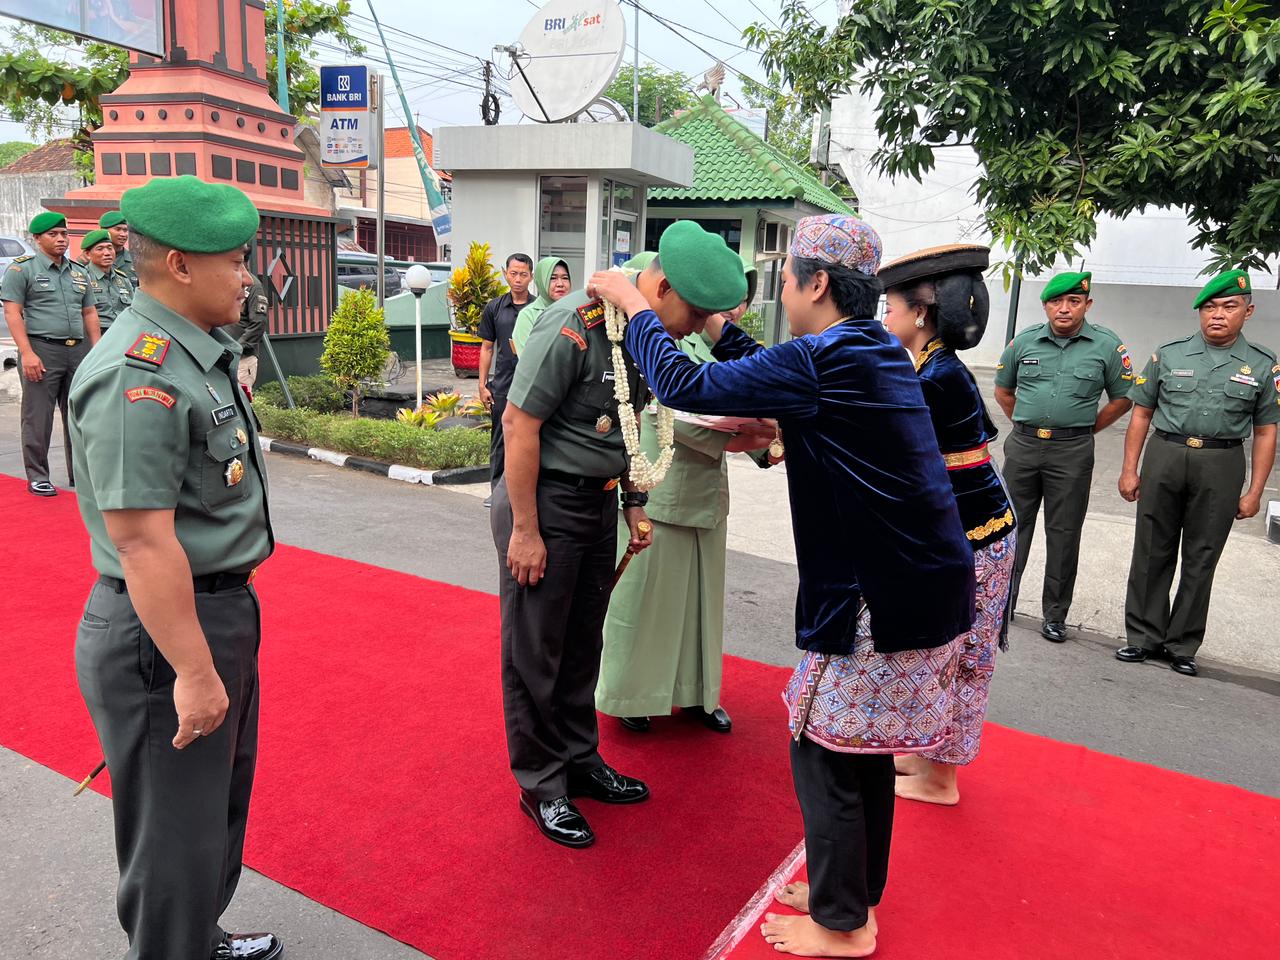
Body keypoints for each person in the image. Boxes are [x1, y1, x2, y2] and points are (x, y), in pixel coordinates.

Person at [590, 214, 975, 958]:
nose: (780, 295)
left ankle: (842, 923)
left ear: (817, 283)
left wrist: (633, 305)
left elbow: (682, 383)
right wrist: (776, 429)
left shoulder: (829, 358)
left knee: (823, 746)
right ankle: (852, 889)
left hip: (879, 591)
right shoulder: (871, 349)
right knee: (857, 749)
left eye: (786, 279)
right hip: (918, 582)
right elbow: (782, 378)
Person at [67, 175, 281, 960]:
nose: (248, 274)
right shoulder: (140, 371)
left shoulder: (196, 350)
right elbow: (142, 542)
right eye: (236, 259)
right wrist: (193, 670)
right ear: (182, 266)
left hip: (212, 612)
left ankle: (198, 937)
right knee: (171, 838)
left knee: (210, 815)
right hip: (165, 631)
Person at [494, 221, 747, 850]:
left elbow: (631, 430)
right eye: (692, 312)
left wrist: (634, 503)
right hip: (543, 506)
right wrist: (524, 529)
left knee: (583, 643)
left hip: (597, 505)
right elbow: (519, 425)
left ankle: (581, 760)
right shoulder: (571, 325)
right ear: (659, 287)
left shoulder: (640, 333)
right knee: (537, 651)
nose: (692, 328)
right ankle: (542, 783)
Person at [597, 252, 774, 735]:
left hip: (706, 491)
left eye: (737, 302)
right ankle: (632, 694)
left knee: (701, 605)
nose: (731, 311)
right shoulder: (660, 331)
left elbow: (741, 404)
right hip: (661, 484)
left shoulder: (715, 342)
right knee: (647, 603)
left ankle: (697, 694)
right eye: (720, 303)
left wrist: (764, 445)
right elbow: (667, 405)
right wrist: (747, 433)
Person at [876, 244, 1017, 807]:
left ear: (920, 314)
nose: (884, 318)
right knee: (946, 651)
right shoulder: (933, 367)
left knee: (962, 657)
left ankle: (942, 779)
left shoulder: (936, 377)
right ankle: (924, 751)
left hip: (975, 536)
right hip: (971, 526)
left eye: (889, 307)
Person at [1116, 270, 1278, 677]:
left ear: (1248, 311)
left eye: (1229, 307)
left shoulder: (1262, 364)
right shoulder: (1168, 354)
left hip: (1221, 463)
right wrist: (1129, 469)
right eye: (1209, 307)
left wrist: (1255, 490)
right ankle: (1142, 637)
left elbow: (1265, 430)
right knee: (1152, 549)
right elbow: (1141, 414)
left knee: (1203, 555)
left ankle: (1182, 644)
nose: (1217, 315)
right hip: (1166, 454)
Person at [993, 272, 1133, 643]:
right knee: (1012, 528)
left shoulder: (1106, 346)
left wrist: (1084, 429)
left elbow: (1122, 399)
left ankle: (1055, 615)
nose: (1065, 309)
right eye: (1057, 302)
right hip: (1023, 446)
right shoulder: (1024, 341)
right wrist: (1027, 423)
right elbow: (1003, 391)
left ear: (1087, 305)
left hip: (1072, 451)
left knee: (1064, 532)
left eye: (1074, 301)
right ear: (1046, 306)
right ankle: (1002, 605)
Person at [1, 210, 100, 497]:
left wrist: (96, 350)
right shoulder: (22, 270)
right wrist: (27, 353)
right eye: (53, 235)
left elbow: (90, 312)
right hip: (41, 350)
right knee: (38, 417)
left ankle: (79, 474)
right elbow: (12, 313)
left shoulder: (79, 272)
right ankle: (38, 475)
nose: (61, 239)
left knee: (80, 415)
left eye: (64, 234)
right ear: (37, 239)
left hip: (77, 351)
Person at [478, 253, 533, 503]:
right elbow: (487, 348)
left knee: (529, 437)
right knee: (500, 439)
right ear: (505, 274)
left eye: (523, 274)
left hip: (532, 384)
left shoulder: (538, 309)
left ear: (531, 276)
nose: (518, 279)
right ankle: (497, 493)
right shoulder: (495, 308)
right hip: (502, 384)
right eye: (513, 273)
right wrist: (482, 384)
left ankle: (524, 492)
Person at [511, 256, 572, 354]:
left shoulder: (575, 312)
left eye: (565, 278)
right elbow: (528, 359)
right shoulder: (529, 315)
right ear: (541, 281)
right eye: (553, 278)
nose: (560, 284)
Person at [82, 228, 134, 332]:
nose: (107, 253)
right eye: (100, 249)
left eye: (110, 248)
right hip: (97, 334)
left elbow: (133, 309)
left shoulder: (123, 279)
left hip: (123, 332)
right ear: (88, 254)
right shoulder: (82, 278)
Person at [232, 270, 269, 390]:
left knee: (242, 400)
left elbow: (259, 323)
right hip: (223, 357)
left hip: (243, 359)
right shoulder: (226, 281)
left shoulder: (254, 286)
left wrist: (237, 347)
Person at [99, 210, 137, 287]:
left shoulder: (136, 260)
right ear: (104, 231)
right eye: (118, 229)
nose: (123, 234)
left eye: (125, 230)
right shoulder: (91, 258)